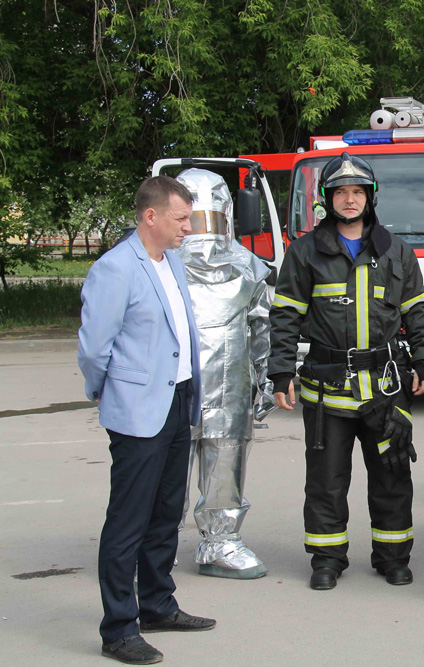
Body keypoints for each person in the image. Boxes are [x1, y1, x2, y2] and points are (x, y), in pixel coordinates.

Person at [268, 152, 424, 591]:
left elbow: (417, 310)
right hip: (327, 389)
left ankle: (392, 557)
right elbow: (285, 313)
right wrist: (281, 371)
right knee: (326, 481)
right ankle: (327, 560)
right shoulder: (305, 251)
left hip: (385, 387)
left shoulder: (397, 250)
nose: (349, 200)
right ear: (328, 198)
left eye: (357, 192)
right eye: (341, 192)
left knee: (392, 475)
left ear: (371, 197)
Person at [79, 176, 216, 665]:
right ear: (150, 216)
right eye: (181, 218)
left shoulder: (171, 262)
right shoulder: (115, 268)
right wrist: (109, 393)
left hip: (179, 403)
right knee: (128, 522)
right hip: (139, 411)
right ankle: (118, 628)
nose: (188, 227)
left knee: (165, 514)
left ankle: (157, 604)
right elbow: (95, 348)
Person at [175, 168, 276, 579]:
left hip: (231, 387)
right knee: (165, 473)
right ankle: (152, 545)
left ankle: (221, 542)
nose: (202, 232)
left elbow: (262, 328)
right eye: (192, 220)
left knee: (226, 468)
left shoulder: (248, 268)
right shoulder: (156, 264)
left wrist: (265, 379)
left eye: (211, 220)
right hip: (173, 391)